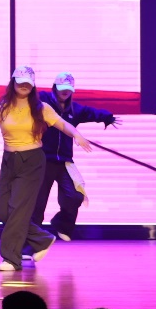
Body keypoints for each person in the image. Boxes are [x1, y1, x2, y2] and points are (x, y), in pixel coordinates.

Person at [0, 66, 92, 271]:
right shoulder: (0, 108)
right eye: (21, 82)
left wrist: (77, 135)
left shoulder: (41, 108)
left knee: (17, 208)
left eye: (28, 83)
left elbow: (63, 124)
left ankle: (11, 258)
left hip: (32, 161)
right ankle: (42, 238)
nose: (24, 86)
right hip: (9, 161)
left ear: (33, 86)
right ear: (13, 83)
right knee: (3, 211)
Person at [34, 72, 120, 241]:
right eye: (62, 88)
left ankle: (61, 224)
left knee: (75, 195)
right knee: (38, 203)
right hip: (43, 160)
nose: (65, 92)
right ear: (54, 88)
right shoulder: (43, 101)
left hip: (64, 161)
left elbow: (90, 112)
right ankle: (31, 241)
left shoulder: (75, 109)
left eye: (68, 89)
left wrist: (107, 117)